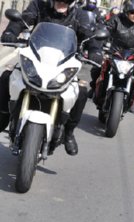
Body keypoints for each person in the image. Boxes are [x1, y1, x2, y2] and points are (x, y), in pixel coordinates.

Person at [0, 0, 92, 155]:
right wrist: (11, 32)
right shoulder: (38, 6)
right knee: (6, 76)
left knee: (82, 90)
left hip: (63, 64)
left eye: (66, 0)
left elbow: (90, 35)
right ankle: (2, 116)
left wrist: (96, 50)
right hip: (37, 58)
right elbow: (24, 19)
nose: (62, 3)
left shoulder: (80, 15)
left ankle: (69, 133)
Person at [89, 0, 134, 100]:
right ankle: (94, 88)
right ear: (126, 11)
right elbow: (107, 28)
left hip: (132, 56)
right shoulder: (117, 19)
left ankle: (133, 95)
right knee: (97, 68)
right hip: (114, 53)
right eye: (132, 12)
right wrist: (102, 34)